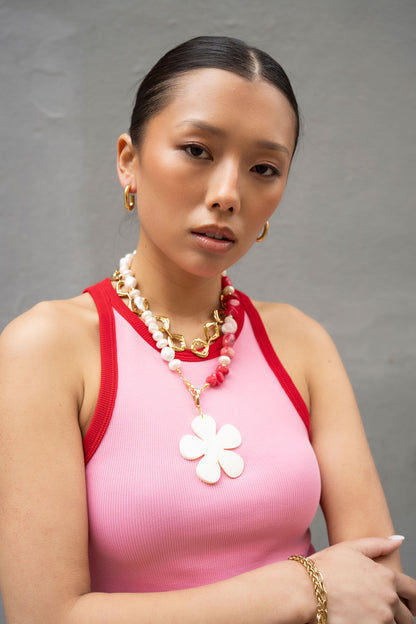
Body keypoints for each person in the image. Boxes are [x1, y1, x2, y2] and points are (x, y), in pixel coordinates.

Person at [0, 35, 415, 624]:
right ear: (128, 160)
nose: (227, 195)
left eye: (263, 168)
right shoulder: (46, 349)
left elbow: (380, 589)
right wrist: (303, 587)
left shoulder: (300, 343)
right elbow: (44, 616)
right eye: (197, 150)